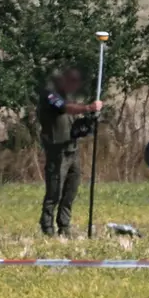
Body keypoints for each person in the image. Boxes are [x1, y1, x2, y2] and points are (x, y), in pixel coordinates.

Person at [37, 68, 103, 237]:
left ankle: (64, 226)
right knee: (55, 192)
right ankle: (47, 227)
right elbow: (64, 108)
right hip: (57, 151)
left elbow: (75, 126)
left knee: (70, 191)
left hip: (72, 149)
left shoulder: (69, 98)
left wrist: (90, 119)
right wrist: (88, 107)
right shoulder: (50, 96)